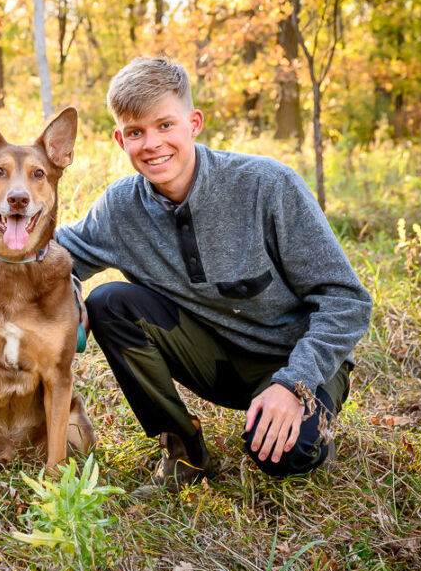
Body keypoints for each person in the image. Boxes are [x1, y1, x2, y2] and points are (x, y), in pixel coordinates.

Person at [56, 56, 372, 492]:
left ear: (194, 123)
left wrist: (292, 382)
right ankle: (185, 451)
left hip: (299, 361)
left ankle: (312, 426)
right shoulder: (121, 208)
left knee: (287, 457)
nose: (152, 143)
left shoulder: (267, 185)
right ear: (119, 139)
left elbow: (347, 299)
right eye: (136, 132)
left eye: (165, 125)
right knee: (109, 302)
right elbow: (53, 253)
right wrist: (59, 283)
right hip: (215, 362)